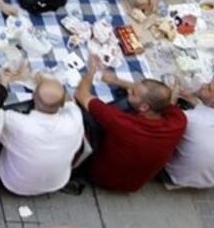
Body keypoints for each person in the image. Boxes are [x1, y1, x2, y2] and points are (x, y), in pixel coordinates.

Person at [75, 59, 186, 192]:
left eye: (133, 93)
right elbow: (166, 100)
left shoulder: (123, 123)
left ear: (144, 107)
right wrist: (116, 81)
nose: (129, 90)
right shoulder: (179, 121)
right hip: (135, 184)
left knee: (86, 114)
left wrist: (91, 71)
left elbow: (81, 94)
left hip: (101, 177)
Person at [0, 71, 83, 196]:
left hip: (14, 184)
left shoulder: (18, 123)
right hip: (57, 183)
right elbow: (70, 102)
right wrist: (50, 79)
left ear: (33, 96)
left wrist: (3, 83)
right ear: (61, 103)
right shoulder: (74, 120)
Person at [165, 76, 214, 189]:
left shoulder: (192, 119)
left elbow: (164, 121)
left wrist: (171, 99)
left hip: (174, 175)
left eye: (209, 88)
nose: (203, 84)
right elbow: (209, 114)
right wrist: (193, 99)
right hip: (211, 181)